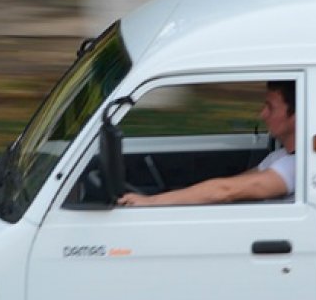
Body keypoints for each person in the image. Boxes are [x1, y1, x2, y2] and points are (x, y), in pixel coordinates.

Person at [117, 81, 296, 206]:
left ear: (296, 117)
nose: (262, 114)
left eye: (270, 107)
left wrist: (151, 202)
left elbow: (226, 190)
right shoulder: (279, 157)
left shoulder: (297, 165)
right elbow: (236, 184)